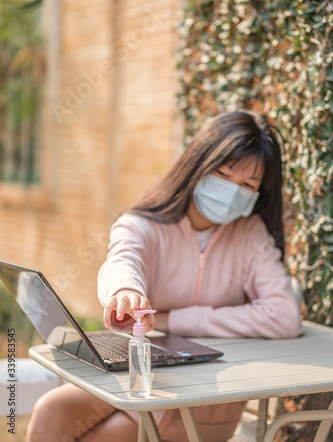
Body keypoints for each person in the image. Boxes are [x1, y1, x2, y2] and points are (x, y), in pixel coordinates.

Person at [27, 110, 302, 442]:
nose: (232, 190)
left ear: (259, 194)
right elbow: (123, 260)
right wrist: (126, 290)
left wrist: (176, 320)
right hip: (139, 378)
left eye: (247, 184)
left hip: (203, 400)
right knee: (50, 411)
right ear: (198, 163)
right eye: (223, 173)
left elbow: (284, 315)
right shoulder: (144, 223)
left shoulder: (250, 234)